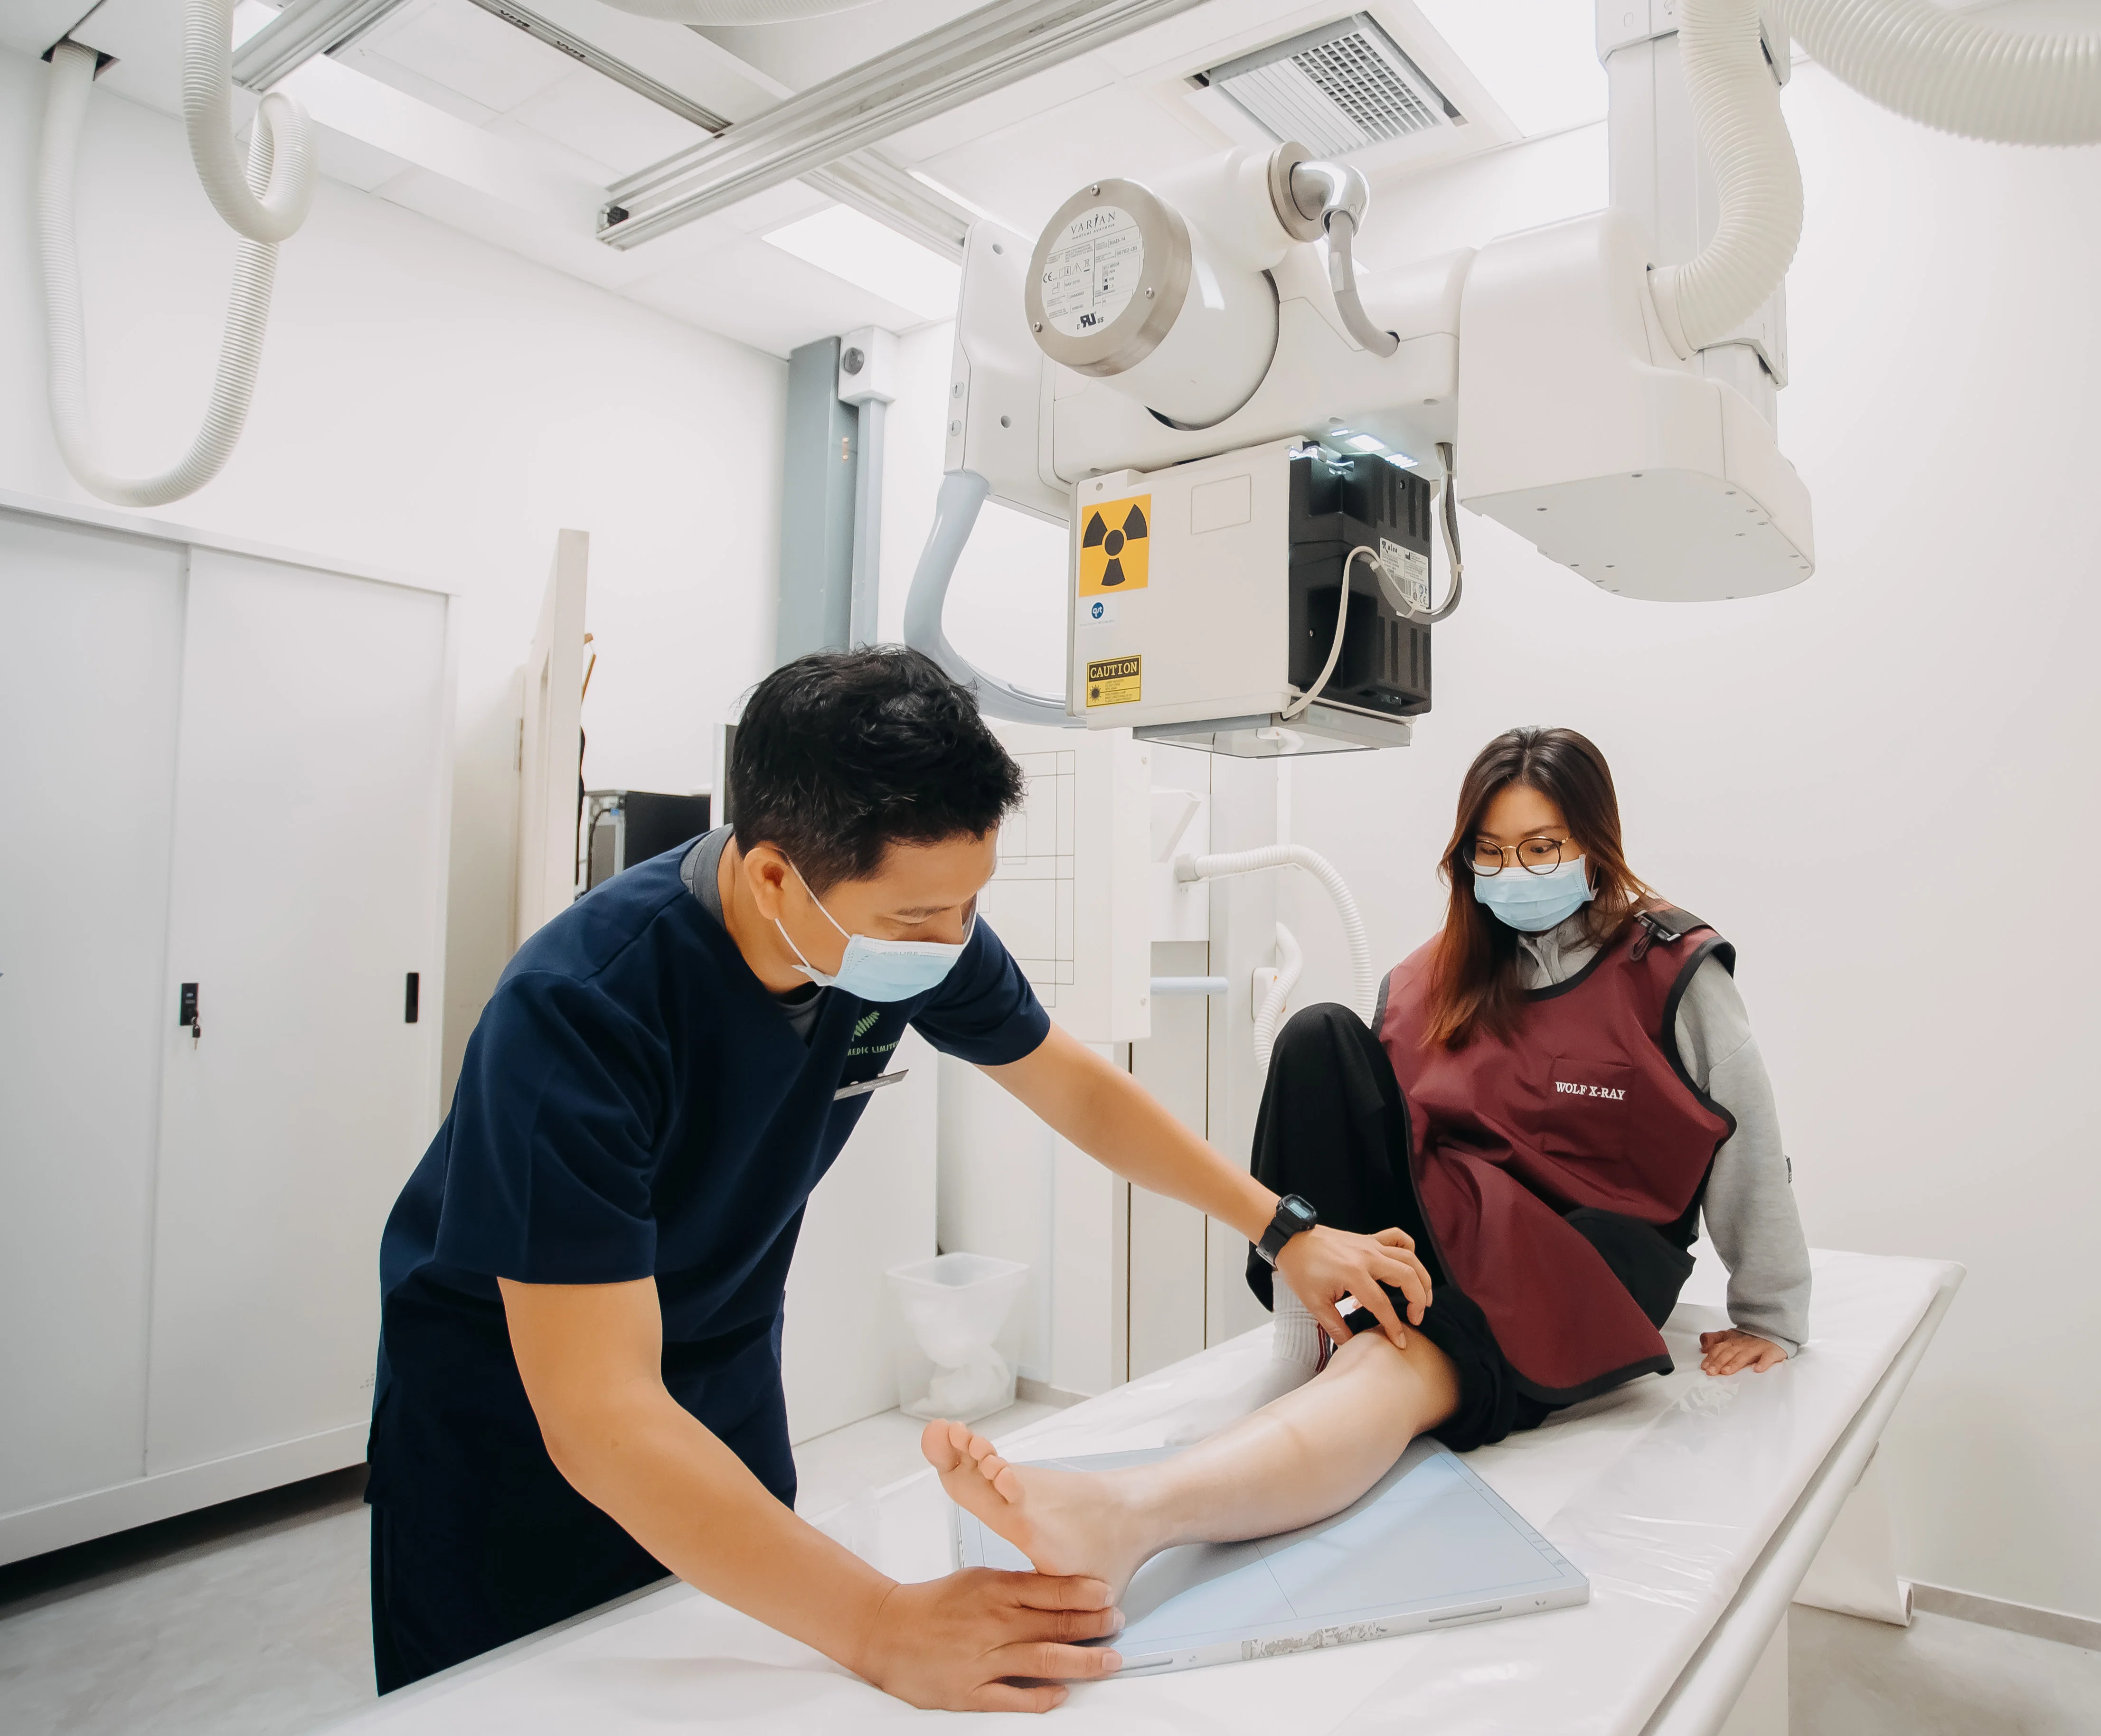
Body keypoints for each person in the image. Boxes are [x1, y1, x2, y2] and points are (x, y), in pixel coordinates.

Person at [367, 647, 1432, 1712]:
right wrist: (881, 1620)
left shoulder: (899, 930)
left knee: (752, 1689)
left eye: (969, 904)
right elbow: (598, 1413)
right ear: (777, 874)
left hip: (721, 1365)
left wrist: (1283, 1227)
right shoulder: (579, 1015)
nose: (953, 941)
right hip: (516, 1433)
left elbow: (1077, 1091)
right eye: (919, 920)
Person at [923, 724, 1810, 1602]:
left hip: (1583, 1253)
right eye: (1492, 852)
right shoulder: (1431, 976)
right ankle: (1320, 1325)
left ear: (1594, 846)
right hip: (1449, 1220)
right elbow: (1378, 1129)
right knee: (1319, 1036)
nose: (1517, 871)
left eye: (1544, 847)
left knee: (1403, 1361)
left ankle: (1130, 1515)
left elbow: (1747, 1130)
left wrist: (1769, 1313)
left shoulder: (1672, 971)